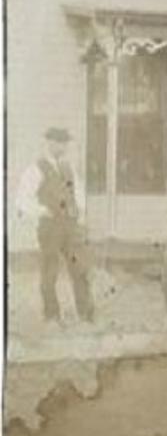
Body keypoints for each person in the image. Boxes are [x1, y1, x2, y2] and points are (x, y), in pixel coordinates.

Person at [16, 127, 95, 327]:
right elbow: (22, 200)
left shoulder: (68, 168)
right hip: (50, 228)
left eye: (65, 143)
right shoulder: (36, 169)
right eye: (59, 142)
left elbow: (78, 194)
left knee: (79, 268)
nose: (63, 146)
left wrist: (81, 215)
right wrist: (42, 211)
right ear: (49, 143)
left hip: (70, 227)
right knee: (50, 271)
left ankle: (85, 314)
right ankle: (52, 316)